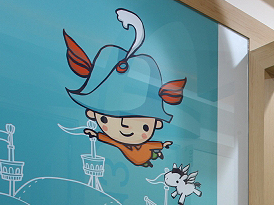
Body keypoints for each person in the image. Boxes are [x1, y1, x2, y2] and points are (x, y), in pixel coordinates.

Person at [63, 9, 186, 168]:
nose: (125, 127)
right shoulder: (123, 144)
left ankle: (151, 159)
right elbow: (110, 140)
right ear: (92, 114)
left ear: (157, 124)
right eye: (105, 119)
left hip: (144, 156)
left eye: (145, 127)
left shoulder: (132, 144)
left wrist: (163, 145)